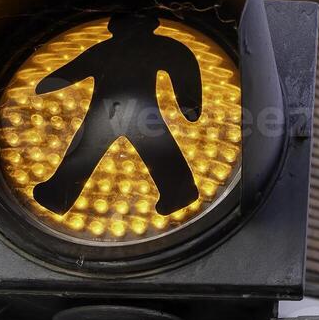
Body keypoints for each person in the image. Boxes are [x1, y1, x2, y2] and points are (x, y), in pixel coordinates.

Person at [31, 12, 203, 217]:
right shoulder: (161, 46)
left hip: (108, 112)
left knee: (85, 151)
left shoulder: (105, 49)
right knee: (156, 149)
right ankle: (179, 192)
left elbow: (71, 71)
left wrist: (44, 85)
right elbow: (183, 67)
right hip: (137, 112)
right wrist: (189, 105)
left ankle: (58, 195)